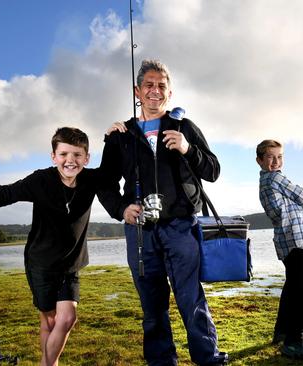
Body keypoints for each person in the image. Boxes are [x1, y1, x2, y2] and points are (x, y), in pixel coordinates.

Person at [0, 127, 101, 366]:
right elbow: (3, 194)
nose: (70, 161)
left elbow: (118, 168)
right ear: (54, 157)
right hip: (40, 264)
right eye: (63, 154)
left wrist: (113, 135)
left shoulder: (91, 180)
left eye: (76, 155)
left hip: (70, 265)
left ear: (87, 158)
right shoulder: (40, 181)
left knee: (67, 319)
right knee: (50, 321)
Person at [98, 59, 228, 366]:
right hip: (140, 232)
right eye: (148, 85)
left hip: (182, 227)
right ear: (137, 91)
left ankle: (208, 358)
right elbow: (104, 183)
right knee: (152, 305)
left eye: (161, 86)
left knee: (190, 298)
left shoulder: (184, 127)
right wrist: (121, 208)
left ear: (169, 93)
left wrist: (188, 148)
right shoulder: (120, 135)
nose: (155, 91)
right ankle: (161, 362)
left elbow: (213, 171)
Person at [255, 139, 303, 361]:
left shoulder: (266, 182)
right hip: (296, 240)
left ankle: (282, 332)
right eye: (270, 157)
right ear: (259, 160)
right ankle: (295, 343)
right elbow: (301, 195)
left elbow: (291, 199)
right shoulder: (276, 178)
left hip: (286, 243)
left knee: (292, 289)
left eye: (279, 157)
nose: (276, 162)